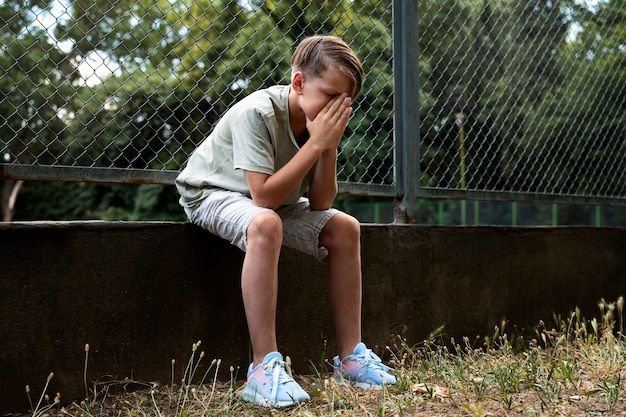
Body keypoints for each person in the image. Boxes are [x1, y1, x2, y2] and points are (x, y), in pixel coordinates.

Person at [176, 35, 396, 408]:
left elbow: (322, 201)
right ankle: (263, 369)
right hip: (211, 193)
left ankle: (350, 359)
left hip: (267, 203)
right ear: (298, 83)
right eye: (330, 95)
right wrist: (315, 145)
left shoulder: (315, 123)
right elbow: (263, 197)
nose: (336, 108)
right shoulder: (257, 112)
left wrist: (327, 146)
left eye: (346, 102)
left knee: (345, 227)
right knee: (265, 223)